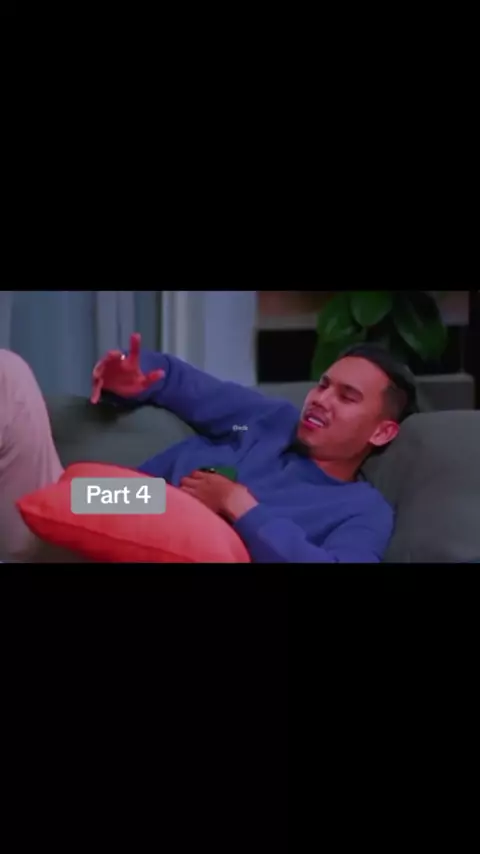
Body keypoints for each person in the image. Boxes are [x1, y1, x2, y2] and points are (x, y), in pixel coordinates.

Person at [0, 333, 417, 563]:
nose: (321, 400)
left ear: (382, 433)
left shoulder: (363, 510)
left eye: (347, 397)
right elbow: (179, 381)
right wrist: (134, 375)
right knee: (9, 374)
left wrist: (240, 505)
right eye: (323, 385)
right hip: (119, 502)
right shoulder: (270, 420)